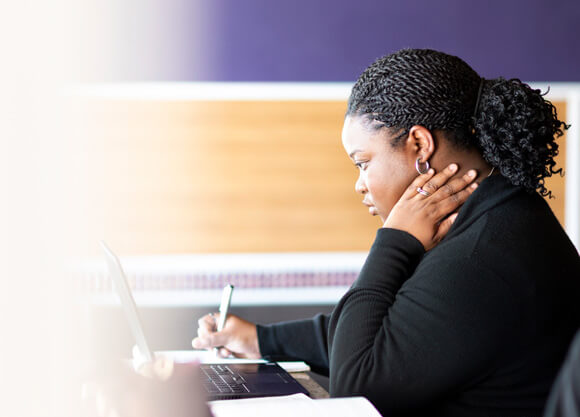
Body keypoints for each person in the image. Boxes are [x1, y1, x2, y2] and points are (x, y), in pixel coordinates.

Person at [193, 49, 580, 416]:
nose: (359, 185)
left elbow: (355, 387)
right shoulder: (499, 215)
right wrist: (261, 339)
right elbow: (394, 334)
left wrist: (395, 239)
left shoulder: (480, 259)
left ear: (419, 145)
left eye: (363, 163)